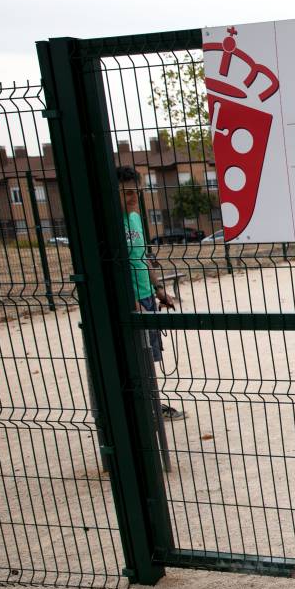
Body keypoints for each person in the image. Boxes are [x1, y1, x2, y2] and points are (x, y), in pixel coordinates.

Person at [119, 165, 184, 421]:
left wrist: (158, 290)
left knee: (149, 354)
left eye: (137, 192)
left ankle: (151, 403)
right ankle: (143, 407)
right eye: (127, 193)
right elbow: (116, 264)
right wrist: (129, 299)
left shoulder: (135, 218)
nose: (134, 198)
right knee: (137, 355)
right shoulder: (112, 223)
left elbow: (143, 257)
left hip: (145, 294)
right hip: (130, 298)